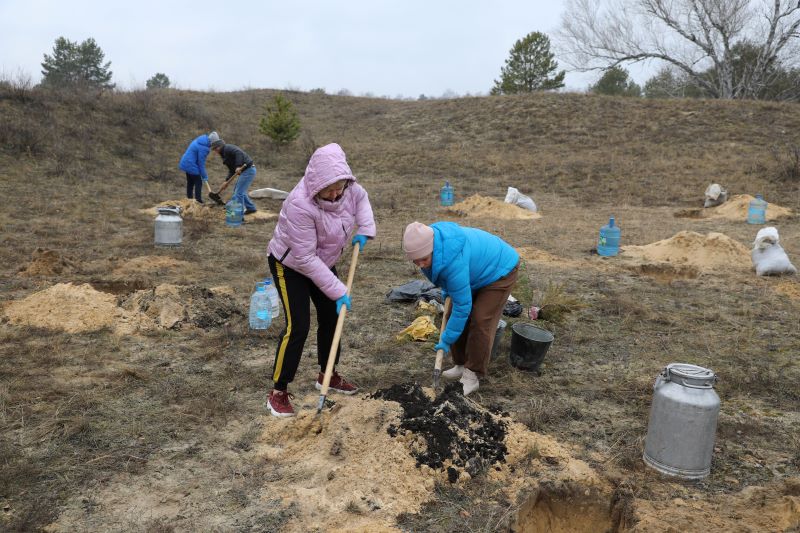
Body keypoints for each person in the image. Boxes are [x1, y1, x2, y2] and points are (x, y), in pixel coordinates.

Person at [265, 143, 376, 417]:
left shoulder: (348, 188)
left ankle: (328, 375)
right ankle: (278, 392)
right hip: (291, 264)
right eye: (330, 190)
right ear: (317, 185)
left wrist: (365, 227)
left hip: (323, 262)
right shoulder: (299, 204)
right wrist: (338, 290)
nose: (336, 194)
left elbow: (361, 198)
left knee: (332, 318)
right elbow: (305, 258)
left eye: (340, 188)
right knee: (298, 325)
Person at [403, 221, 519, 396]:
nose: (421, 265)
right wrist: (447, 288)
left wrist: (447, 339)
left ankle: (472, 375)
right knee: (450, 314)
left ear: (433, 249)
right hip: (475, 271)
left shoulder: (452, 260)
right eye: (415, 261)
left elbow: (462, 306)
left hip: (501, 269)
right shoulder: (431, 253)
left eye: (424, 259)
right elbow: (444, 275)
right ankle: (461, 363)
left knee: (481, 319)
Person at [210, 136, 258, 215]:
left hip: (248, 170)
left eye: (216, 148)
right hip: (246, 171)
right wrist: (226, 181)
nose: (215, 150)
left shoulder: (228, 148)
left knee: (238, 192)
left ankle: (238, 214)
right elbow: (231, 169)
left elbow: (239, 153)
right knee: (239, 190)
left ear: (220, 146)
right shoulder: (224, 154)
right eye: (214, 149)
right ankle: (251, 208)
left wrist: (238, 166)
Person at [178, 131, 217, 203]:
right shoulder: (204, 148)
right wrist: (204, 176)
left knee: (190, 182)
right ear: (212, 142)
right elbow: (201, 163)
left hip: (185, 162)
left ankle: (189, 200)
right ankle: (198, 201)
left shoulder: (200, 140)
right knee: (198, 182)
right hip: (191, 164)